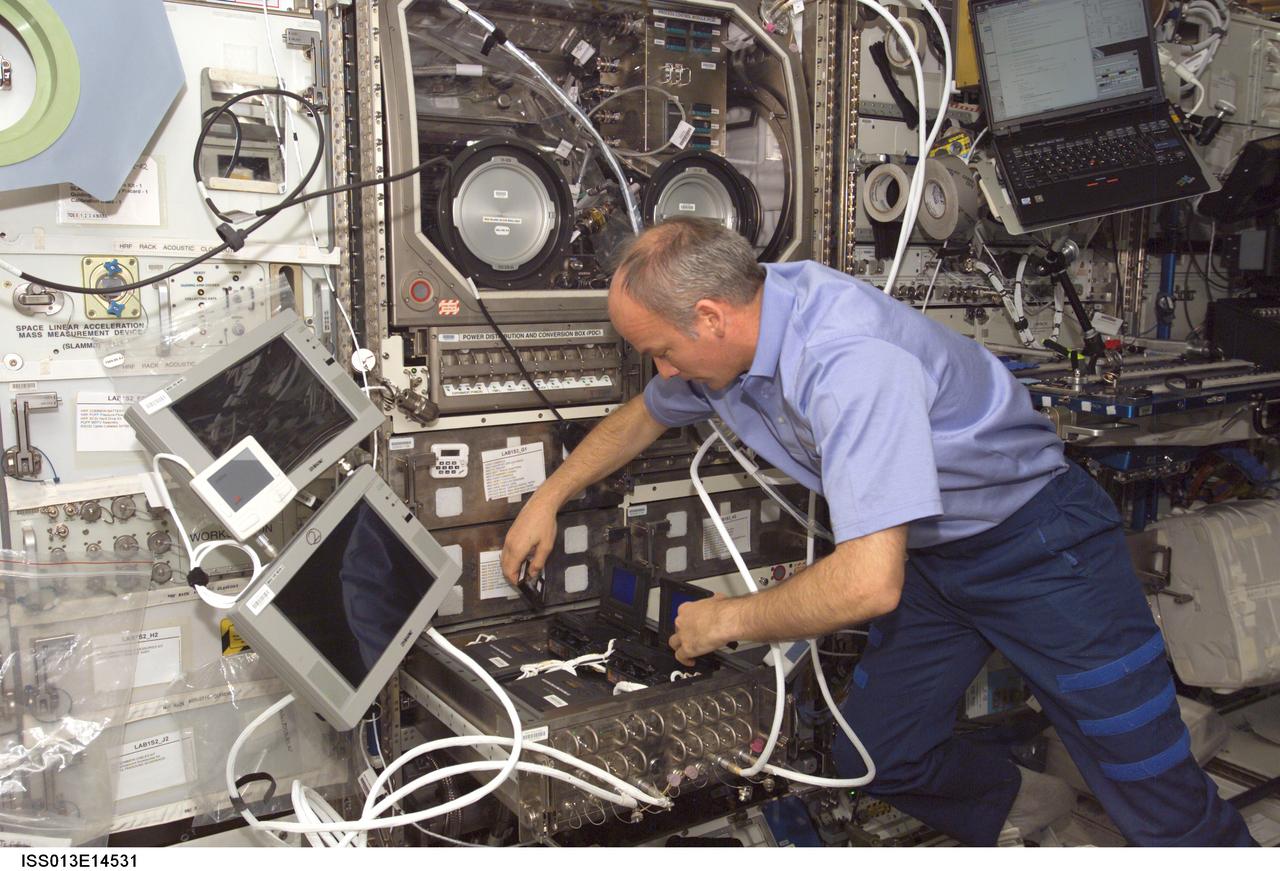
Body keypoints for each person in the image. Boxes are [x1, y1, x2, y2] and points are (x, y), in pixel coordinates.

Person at [499, 218, 1255, 846]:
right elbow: (649, 412)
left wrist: (727, 618)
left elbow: (867, 582)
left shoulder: (846, 359)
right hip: (933, 555)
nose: (662, 369)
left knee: (1146, 776)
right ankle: (1023, 806)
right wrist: (550, 497)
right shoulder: (742, 331)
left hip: (1040, 546)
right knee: (878, 753)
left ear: (709, 316)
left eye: (660, 349)